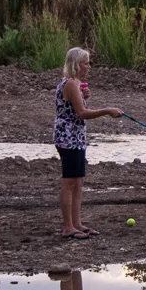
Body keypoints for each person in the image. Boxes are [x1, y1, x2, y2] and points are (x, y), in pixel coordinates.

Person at [54, 47, 122, 240]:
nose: (88, 66)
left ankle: (77, 223)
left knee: (79, 181)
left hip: (76, 137)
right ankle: (68, 227)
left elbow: (78, 108)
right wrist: (107, 110)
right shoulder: (70, 84)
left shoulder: (76, 84)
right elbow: (81, 113)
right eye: (86, 63)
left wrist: (85, 97)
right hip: (68, 137)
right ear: (76, 64)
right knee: (69, 182)